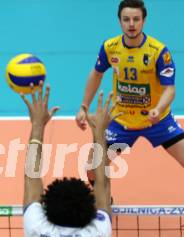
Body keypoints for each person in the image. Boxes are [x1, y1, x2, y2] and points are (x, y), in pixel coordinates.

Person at [20, 83, 115, 237]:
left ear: (47, 206)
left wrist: (37, 126)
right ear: (90, 209)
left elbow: (31, 177)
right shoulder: (97, 234)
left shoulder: (37, 227)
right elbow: (102, 182)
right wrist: (99, 134)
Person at [76, 0, 183, 185]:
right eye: (126, 19)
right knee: (93, 170)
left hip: (157, 121)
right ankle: (104, 204)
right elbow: (96, 74)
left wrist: (159, 108)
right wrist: (83, 107)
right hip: (121, 120)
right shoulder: (110, 47)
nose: (131, 24)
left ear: (144, 21)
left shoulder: (158, 51)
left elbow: (170, 90)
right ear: (119, 21)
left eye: (136, 19)